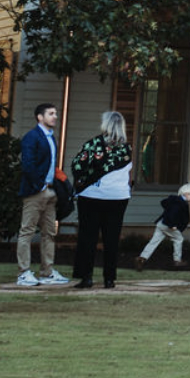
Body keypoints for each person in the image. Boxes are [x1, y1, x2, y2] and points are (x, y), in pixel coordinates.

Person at [69, 110, 133, 290]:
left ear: (105, 124)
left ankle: (86, 277)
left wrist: (83, 180)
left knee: (87, 237)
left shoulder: (93, 144)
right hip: (119, 196)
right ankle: (109, 279)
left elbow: (77, 165)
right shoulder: (126, 148)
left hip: (92, 195)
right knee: (111, 238)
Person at [14, 102, 68, 287]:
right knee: (27, 231)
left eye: (55, 113)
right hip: (35, 192)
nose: (55, 116)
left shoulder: (50, 137)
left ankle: (47, 272)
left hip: (50, 191)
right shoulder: (32, 136)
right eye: (51, 113)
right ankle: (23, 273)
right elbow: (28, 164)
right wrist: (39, 186)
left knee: (49, 233)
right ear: (40, 117)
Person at [135, 183, 190, 270]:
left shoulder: (175, 201)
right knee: (179, 239)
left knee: (154, 242)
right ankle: (177, 260)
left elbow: (169, 211)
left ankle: (142, 258)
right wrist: (172, 225)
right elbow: (172, 214)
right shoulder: (180, 203)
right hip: (168, 225)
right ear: (186, 194)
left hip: (161, 224)